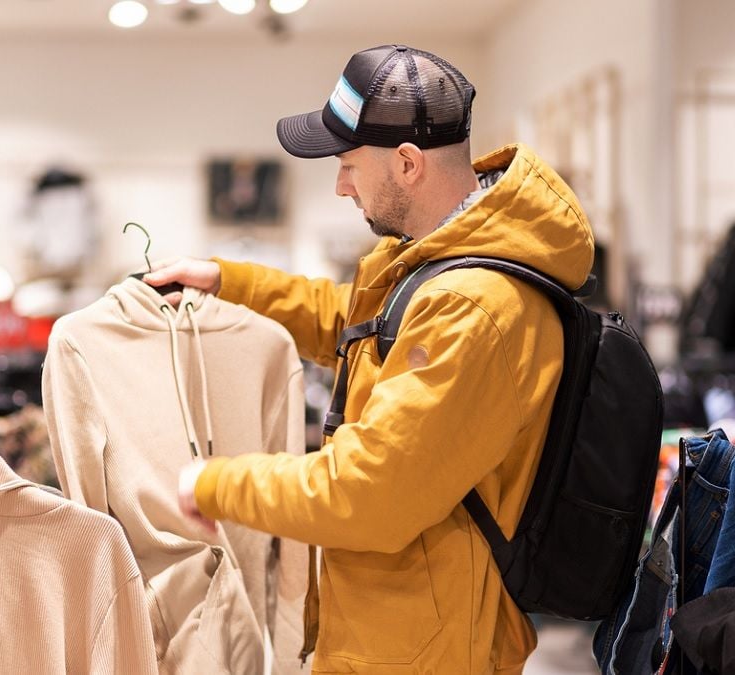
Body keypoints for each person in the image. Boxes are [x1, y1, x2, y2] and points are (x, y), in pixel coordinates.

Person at [149, 44, 595, 673]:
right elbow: (357, 324)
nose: (339, 185)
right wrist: (227, 280)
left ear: (408, 164)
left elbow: (364, 494)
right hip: (400, 631)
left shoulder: (474, 306)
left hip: (429, 653)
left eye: (349, 164)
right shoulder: (444, 263)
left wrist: (212, 482)